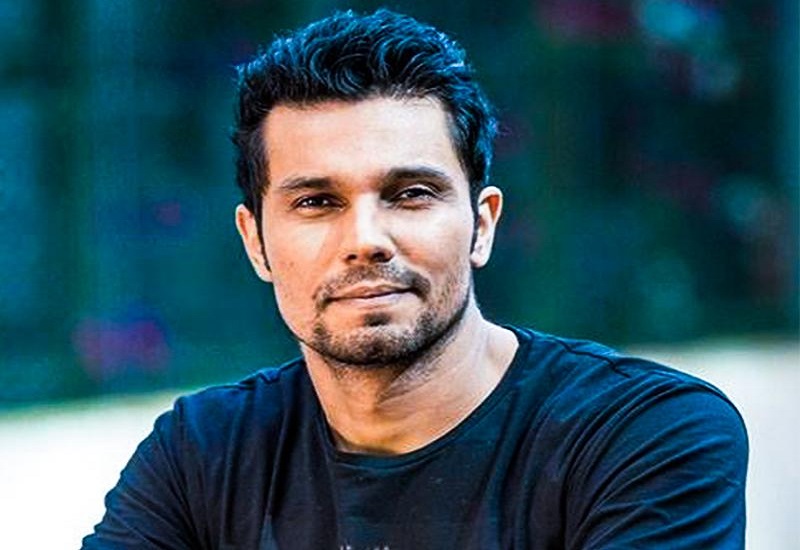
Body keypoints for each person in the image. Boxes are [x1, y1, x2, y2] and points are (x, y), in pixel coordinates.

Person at [82, 9, 747, 549]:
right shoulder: (202, 456)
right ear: (255, 242)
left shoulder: (644, 437)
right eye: (317, 202)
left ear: (482, 225)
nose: (365, 240)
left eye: (410, 194)